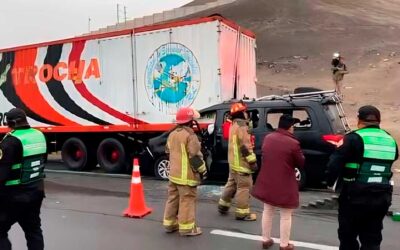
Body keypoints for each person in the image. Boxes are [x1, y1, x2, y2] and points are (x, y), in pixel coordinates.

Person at [326, 105, 399, 250]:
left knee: (348, 237)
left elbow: (334, 164)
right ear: (379, 121)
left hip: (354, 197)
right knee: (372, 239)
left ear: (359, 120)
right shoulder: (391, 140)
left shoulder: (353, 138)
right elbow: (393, 157)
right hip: (381, 197)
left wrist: (330, 183)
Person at [252, 114, 305, 250]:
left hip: (267, 179)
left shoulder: (268, 138)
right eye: (293, 126)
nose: (294, 129)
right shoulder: (293, 143)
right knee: (286, 215)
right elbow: (301, 162)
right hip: (285, 181)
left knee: (267, 210)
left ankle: (265, 240)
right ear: (289, 127)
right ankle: (284, 244)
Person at [0, 108, 47, 250]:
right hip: (36, 191)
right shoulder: (39, 135)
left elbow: (2, 174)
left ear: (10, 123)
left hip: (14, 196)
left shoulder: (10, 141)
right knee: (33, 231)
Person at [163, 107, 208, 236]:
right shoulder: (190, 136)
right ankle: (187, 228)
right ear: (190, 121)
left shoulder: (172, 134)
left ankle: (170, 224)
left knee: (173, 199)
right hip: (186, 177)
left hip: (173, 176)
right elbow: (194, 157)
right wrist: (203, 170)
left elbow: (167, 151)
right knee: (187, 200)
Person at [218, 102, 258, 221]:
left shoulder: (233, 126)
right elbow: (245, 147)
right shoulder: (242, 127)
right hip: (242, 164)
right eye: (245, 112)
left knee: (231, 184)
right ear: (242, 113)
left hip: (233, 163)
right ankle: (242, 213)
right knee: (244, 188)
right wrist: (252, 162)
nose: (247, 114)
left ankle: (223, 206)